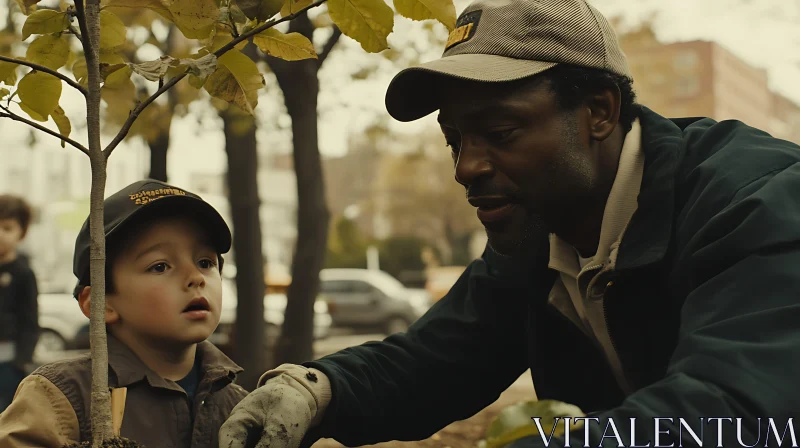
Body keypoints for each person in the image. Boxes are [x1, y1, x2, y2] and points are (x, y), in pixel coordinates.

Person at [220, 0, 800, 446]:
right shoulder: (540, 233)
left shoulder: (753, 202)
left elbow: (740, 410)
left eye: (500, 134)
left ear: (599, 112)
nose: (467, 167)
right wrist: (318, 391)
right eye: (455, 140)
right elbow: (436, 359)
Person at [0, 179, 248, 447]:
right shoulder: (61, 397)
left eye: (205, 262)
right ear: (100, 304)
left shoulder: (243, 407)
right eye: (160, 266)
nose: (196, 277)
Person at [0, 195, 38, 413]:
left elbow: (30, 320)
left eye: (7, 228)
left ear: (21, 233)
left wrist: (21, 362)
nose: (0, 235)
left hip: (8, 364)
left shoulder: (23, 273)